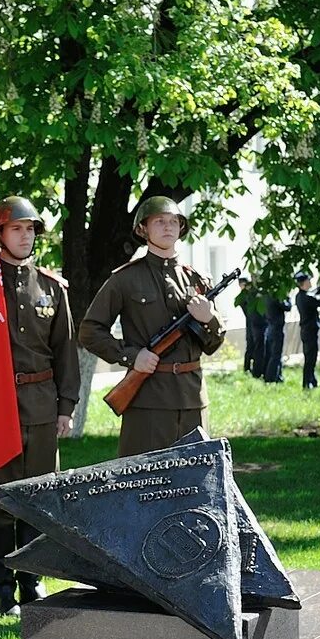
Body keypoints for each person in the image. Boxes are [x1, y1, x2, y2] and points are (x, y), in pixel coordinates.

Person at [0, 197, 78, 616]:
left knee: (38, 496)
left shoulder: (51, 287)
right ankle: (3, 586)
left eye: (31, 229)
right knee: (1, 498)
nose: (25, 236)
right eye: (17, 228)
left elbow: (65, 352)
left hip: (40, 405)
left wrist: (66, 406)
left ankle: (32, 583)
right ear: (0, 234)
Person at [80, 196, 223, 457]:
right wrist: (132, 356)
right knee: (144, 484)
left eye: (174, 222)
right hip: (148, 401)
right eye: (159, 221)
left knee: (197, 484)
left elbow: (214, 343)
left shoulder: (198, 279)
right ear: (143, 229)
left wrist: (208, 319)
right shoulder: (125, 279)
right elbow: (90, 331)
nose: (168, 227)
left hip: (192, 399)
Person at [293, 272, 320, 389]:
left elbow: (313, 295)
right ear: (302, 284)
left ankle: (312, 381)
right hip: (310, 331)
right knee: (310, 358)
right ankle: (306, 383)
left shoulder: (300, 296)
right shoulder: (307, 298)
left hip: (306, 330)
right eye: (308, 281)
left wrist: (319, 289)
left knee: (309, 356)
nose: (310, 283)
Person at [237, 278, 268, 379]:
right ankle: (249, 369)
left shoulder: (249, 295)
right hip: (252, 323)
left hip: (252, 323)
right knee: (252, 347)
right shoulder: (244, 297)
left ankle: (252, 368)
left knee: (254, 347)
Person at [262, 291, 288, 383]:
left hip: (270, 328)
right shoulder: (276, 297)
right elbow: (287, 306)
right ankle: (271, 378)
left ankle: (277, 376)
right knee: (276, 355)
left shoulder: (266, 296)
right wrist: (287, 297)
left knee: (273, 354)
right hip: (277, 329)